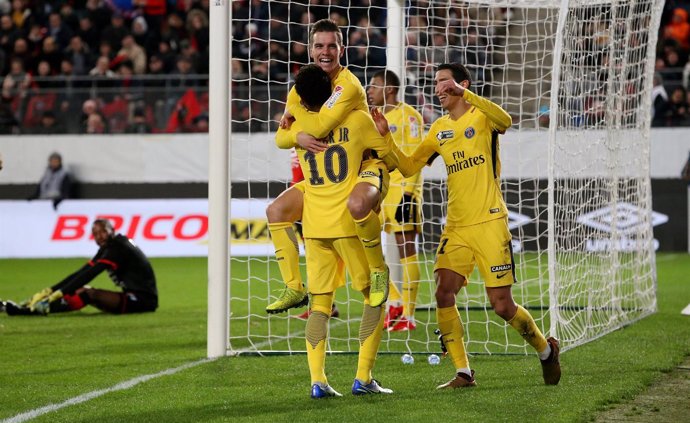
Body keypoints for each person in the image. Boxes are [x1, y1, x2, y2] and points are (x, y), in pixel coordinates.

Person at [371, 63, 561, 388]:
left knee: (502, 305)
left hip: (490, 221)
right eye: (435, 83)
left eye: (444, 82)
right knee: (444, 292)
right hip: (456, 225)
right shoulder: (438, 129)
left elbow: (507, 120)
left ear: (462, 84)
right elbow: (406, 165)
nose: (438, 88)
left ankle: (545, 351)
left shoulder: (483, 117)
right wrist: (386, 138)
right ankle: (463, 372)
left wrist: (468, 95)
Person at [275, 64, 414, 398]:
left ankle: (318, 382)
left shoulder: (299, 127)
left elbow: (282, 137)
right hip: (348, 227)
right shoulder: (358, 121)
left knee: (321, 305)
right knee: (373, 297)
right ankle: (363, 378)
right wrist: (386, 136)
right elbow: (402, 166)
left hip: (314, 227)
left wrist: (292, 128)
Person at [265, 18, 391, 314]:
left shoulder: (347, 86)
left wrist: (296, 122)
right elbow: (281, 137)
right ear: (310, 50)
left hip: (362, 170)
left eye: (331, 46)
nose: (325, 52)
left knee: (363, 278)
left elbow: (320, 128)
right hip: (325, 176)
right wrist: (297, 134)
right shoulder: (303, 86)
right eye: (319, 45)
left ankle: (378, 270)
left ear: (341, 49)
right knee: (275, 211)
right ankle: (294, 288)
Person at [366, 69, 424, 332]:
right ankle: (396, 303)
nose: (369, 91)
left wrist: (409, 194)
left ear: (388, 89)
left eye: (374, 86)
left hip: (402, 192)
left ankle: (408, 316)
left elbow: (415, 158)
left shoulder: (410, 116)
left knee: (406, 250)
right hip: (379, 192)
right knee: (366, 249)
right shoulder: (371, 119)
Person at [4, 219, 158, 316]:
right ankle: (35, 305)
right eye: (95, 234)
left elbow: (91, 274)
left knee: (88, 293)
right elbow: (83, 271)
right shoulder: (109, 246)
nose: (100, 236)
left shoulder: (118, 248)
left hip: (142, 300)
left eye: (103, 231)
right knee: (79, 290)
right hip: (134, 296)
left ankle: (37, 310)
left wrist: (58, 294)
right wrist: (49, 291)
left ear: (112, 230)